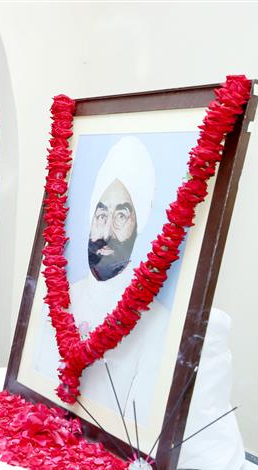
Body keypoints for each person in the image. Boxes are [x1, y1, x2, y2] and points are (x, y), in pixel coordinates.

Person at [68, 136, 170, 423]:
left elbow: (137, 430)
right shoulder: (62, 299)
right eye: (101, 215)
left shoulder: (157, 323)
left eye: (121, 216)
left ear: (140, 225)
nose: (106, 231)